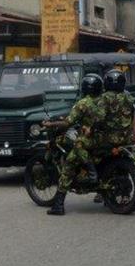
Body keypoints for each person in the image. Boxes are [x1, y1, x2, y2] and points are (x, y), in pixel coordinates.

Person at [42, 74, 109, 216]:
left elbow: (68, 123)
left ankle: (58, 206)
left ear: (85, 88)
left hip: (92, 140)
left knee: (69, 165)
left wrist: (51, 123)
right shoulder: (106, 100)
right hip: (109, 139)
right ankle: (103, 193)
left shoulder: (83, 103)